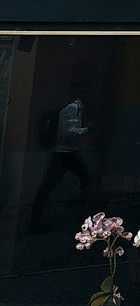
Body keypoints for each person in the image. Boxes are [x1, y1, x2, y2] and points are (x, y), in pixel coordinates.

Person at [29, 90, 90, 232]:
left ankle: (36, 222)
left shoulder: (76, 108)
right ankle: (34, 223)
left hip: (67, 154)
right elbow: (68, 132)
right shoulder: (73, 108)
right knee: (48, 187)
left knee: (83, 179)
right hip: (63, 154)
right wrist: (86, 130)